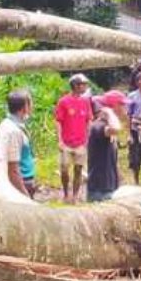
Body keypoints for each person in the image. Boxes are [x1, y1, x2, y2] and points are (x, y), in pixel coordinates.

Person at [0, 89, 36, 198]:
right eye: (30, 103)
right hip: (21, 183)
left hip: (23, 180)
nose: (32, 106)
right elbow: (13, 170)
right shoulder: (13, 131)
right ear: (24, 107)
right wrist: (25, 196)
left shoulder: (9, 124)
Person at [54, 73, 92, 204]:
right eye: (83, 84)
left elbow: (88, 120)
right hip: (66, 142)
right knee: (64, 169)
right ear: (76, 85)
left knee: (78, 169)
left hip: (81, 142)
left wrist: (88, 138)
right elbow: (58, 121)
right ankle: (65, 193)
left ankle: (75, 196)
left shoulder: (85, 102)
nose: (85, 87)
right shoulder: (63, 101)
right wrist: (59, 140)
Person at [85, 91, 126, 202]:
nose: (125, 108)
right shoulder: (99, 126)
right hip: (100, 190)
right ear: (115, 106)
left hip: (109, 187)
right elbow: (116, 128)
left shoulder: (106, 127)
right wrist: (110, 113)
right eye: (122, 105)